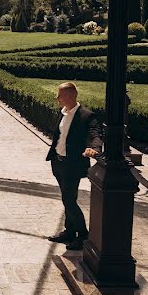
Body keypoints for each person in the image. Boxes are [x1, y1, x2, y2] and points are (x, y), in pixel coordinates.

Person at [46, 82, 103, 250]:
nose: (57, 98)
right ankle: (70, 231)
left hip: (73, 165)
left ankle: (83, 235)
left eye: (60, 95)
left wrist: (95, 148)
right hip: (58, 162)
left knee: (69, 200)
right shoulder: (63, 113)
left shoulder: (86, 115)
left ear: (70, 96)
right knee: (67, 198)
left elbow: (96, 133)